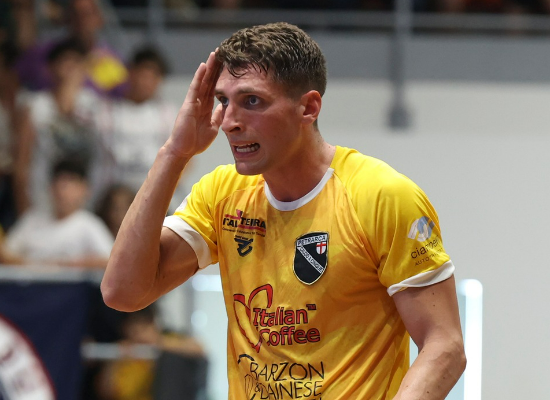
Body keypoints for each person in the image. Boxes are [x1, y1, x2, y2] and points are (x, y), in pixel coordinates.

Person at [102, 22, 466, 399]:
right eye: (224, 101)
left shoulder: (382, 195)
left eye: (252, 101)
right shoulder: (221, 192)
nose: (229, 122)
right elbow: (122, 292)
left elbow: (445, 346)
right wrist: (174, 154)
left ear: (308, 108)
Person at [1, 157, 113, 268]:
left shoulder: (89, 224)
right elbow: (6, 254)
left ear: (84, 189)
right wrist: (38, 267)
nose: (63, 192)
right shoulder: (32, 220)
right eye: (60, 185)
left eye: (69, 186)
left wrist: (67, 265)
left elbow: (110, 261)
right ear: (51, 188)